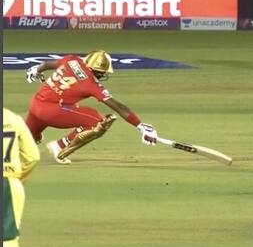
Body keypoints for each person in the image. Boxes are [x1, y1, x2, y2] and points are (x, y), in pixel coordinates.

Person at [24, 50, 158, 164]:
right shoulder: (91, 84)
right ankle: (59, 146)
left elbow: (46, 64)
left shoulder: (71, 60)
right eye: (102, 72)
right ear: (96, 70)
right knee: (97, 122)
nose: (103, 75)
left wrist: (36, 70)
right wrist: (140, 125)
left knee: (24, 140)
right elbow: (117, 106)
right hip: (52, 111)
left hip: (35, 105)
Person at [3, 107, 41, 247]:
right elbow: (33, 157)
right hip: (9, 185)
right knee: (7, 241)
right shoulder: (12, 118)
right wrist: (17, 180)